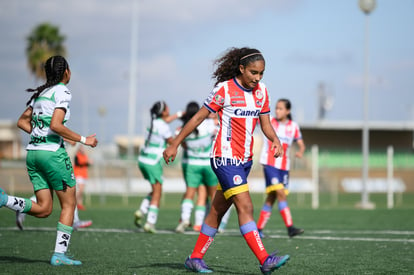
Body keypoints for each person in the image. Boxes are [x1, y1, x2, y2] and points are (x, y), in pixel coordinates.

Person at [163, 47, 290, 274]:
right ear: (241, 69)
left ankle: (194, 258)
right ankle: (265, 260)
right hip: (224, 158)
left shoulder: (262, 92)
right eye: (253, 73)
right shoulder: (224, 89)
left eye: (261, 73)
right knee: (246, 205)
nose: (257, 78)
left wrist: (276, 140)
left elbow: (266, 124)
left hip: (245, 161)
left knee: (217, 210)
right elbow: (199, 117)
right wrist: (175, 143)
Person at [0, 55, 98, 266]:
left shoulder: (41, 92)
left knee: (44, 208)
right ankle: (59, 255)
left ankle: (4, 200)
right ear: (66, 72)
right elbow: (55, 124)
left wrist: (40, 135)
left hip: (33, 154)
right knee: (69, 204)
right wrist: (84, 140)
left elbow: (22, 121)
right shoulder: (62, 91)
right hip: (52, 155)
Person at [257, 99, 306, 238]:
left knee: (271, 198)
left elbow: (301, 144)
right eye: (276, 108)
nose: (277, 111)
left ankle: (258, 229)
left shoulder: (294, 126)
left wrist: (300, 151)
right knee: (280, 193)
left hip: (284, 167)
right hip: (270, 163)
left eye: (280, 109)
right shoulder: (269, 121)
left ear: (287, 111)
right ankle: (290, 227)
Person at [134, 101, 182, 233]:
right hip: (152, 162)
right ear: (163, 111)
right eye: (167, 107)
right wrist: (181, 135)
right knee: (158, 192)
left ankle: (141, 211)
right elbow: (172, 143)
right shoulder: (163, 126)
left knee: (154, 189)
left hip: (143, 160)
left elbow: (166, 120)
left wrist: (179, 114)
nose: (169, 108)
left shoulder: (153, 122)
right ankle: (150, 222)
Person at [175, 102, 218, 233]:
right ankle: (207, 224)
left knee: (189, 193)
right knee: (212, 195)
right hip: (208, 164)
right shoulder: (209, 125)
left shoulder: (181, 128)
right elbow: (218, 125)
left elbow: (182, 143)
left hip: (192, 164)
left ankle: (185, 218)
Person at [73, 145, 93, 210]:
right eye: (81, 148)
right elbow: (77, 163)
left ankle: (79, 204)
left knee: (81, 191)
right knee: (80, 190)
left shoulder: (85, 156)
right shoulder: (77, 155)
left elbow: (87, 164)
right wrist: (86, 162)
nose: (83, 149)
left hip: (84, 175)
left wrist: (89, 163)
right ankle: (73, 202)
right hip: (78, 174)